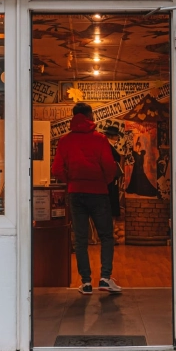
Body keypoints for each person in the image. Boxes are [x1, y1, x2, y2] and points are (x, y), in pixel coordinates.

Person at [51, 103, 122, 294]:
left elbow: (56, 169)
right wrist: (102, 182)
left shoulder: (65, 141)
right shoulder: (100, 140)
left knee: (81, 239)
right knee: (106, 236)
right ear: (89, 116)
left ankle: (86, 283)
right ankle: (105, 279)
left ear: (73, 116)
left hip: (76, 193)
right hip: (99, 193)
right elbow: (110, 168)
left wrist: (72, 181)